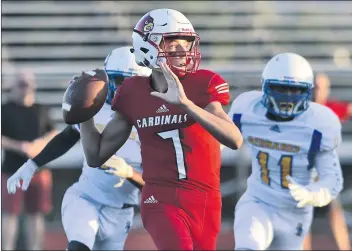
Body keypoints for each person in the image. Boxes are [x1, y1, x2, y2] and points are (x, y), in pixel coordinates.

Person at [79, 8, 243, 250]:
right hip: (160, 197)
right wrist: (84, 116)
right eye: (173, 41)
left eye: (186, 42)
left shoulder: (202, 84)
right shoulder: (132, 92)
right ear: (148, 45)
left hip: (205, 199)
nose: (182, 49)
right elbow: (95, 155)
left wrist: (186, 104)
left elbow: (235, 139)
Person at [6, 46, 151, 251]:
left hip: (121, 212)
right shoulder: (97, 105)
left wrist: (130, 173)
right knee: (79, 247)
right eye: (118, 81)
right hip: (85, 199)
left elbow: (158, 184)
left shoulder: (153, 121)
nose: (122, 89)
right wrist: (32, 165)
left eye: (130, 83)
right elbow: (67, 137)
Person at [228, 52, 344, 250]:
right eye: (280, 88)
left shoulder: (320, 122)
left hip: (294, 210)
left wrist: (311, 194)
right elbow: (218, 140)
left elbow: (332, 180)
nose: (286, 97)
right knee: (249, 245)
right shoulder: (247, 108)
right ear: (264, 85)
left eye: (294, 90)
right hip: (259, 200)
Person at [1, 70, 58, 250]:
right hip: (12, 170)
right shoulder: (5, 109)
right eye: (20, 84)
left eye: (27, 84)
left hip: (38, 171)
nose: (24, 88)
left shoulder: (41, 109)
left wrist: (40, 144)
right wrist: (20, 146)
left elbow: (54, 133)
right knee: (10, 215)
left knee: (36, 215)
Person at [303, 72, 351, 250]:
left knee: (334, 210)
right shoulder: (300, 110)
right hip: (301, 169)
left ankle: (343, 247)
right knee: (302, 213)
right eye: (315, 87)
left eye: (321, 87)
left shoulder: (330, 109)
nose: (317, 91)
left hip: (324, 169)